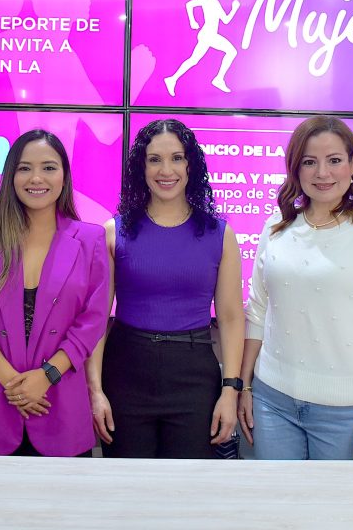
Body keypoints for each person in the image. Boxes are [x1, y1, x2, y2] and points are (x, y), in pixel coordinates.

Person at [237, 116, 353, 460]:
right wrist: (244, 387)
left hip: (347, 413)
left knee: (337, 498)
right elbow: (257, 310)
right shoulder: (276, 227)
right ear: (295, 168)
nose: (322, 173)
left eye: (334, 160)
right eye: (309, 162)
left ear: (352, 164)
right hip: (272, 402)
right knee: (274, 495)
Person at [89, 118, 243, 459]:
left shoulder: (220, 235)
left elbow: (232, 318)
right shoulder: (113, 232)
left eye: (176, 158)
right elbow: (96, 320)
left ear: (191, 165)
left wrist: (230, 391)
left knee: (188, 485)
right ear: (141, 168)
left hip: (194, 377)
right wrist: (95, 390)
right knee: (126, 482)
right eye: (154, 159)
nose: (166, 170)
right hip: (125, 373)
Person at [0, 130, 110, 457]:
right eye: (25, 168)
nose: (36, 178)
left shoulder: (90, 240)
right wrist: (14, 383)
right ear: (11, 176)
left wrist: (47, 376)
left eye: (49, 168)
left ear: (64, 177)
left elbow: (92, 322)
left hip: (61, 410)